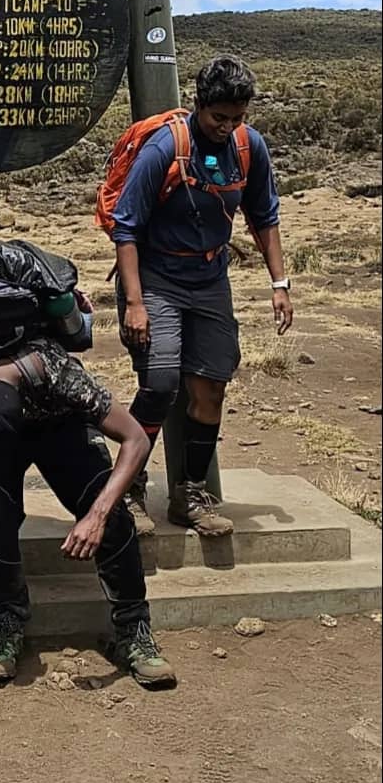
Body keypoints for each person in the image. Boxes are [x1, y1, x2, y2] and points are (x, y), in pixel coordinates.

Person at [0, 330, 175, 687]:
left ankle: (133, 628)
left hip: (62, 430)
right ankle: (5, 617)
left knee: (111, 508)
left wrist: (97, 515)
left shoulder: (54, 369)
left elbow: (136, 438)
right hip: (1, 440)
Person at [113, 54, 293, 536]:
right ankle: (127, 491)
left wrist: (279, 284)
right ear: (199, 105)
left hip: (210, 280)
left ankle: (190, 494)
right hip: (156, 279)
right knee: (160, 384)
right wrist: (134, 302)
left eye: (238, 118)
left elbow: (264, 215)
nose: (228, 127)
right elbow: (126, 227)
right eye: (219, 118)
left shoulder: (248, 146)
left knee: (211, 387)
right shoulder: (164, 148)